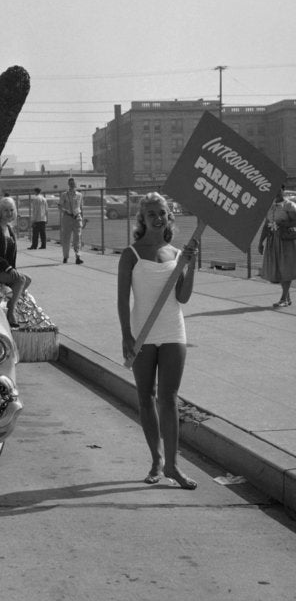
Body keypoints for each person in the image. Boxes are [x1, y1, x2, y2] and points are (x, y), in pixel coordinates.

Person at [117, 192, 199, 490]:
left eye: (161, 212)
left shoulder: (177, 254)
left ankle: (174, 466)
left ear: (168, 216)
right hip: (142, 333)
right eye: (150, 213)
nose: (157, 217)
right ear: (142, 219)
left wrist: (190, 266)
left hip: (173, 332)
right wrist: (126, 334)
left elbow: (183, 297)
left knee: (169, 398)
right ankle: (156, 459)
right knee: (145, 397)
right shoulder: (131, 254)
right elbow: (122, 299)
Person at [0, 197, 31, 328]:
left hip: (5, 270)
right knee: (20, 280)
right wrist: (8, 268)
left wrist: (11, 269)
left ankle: (7, 300)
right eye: (5, 210)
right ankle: (11, 311)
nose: (9, 213)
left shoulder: (9, 228)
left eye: (11, 210)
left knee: (27, 279)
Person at [258, 187, 296, 308]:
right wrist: (260, 242)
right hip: (273, 241)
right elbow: (265, 225)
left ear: (282, 190)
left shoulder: (289, 205)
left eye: (278, 189)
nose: (276, 192)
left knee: (286, 268)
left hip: (286, 241)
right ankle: (287, 298)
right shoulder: (270, 206)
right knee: (279, 269)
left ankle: (283, 298)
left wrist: (284, 224)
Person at [59, 178, 84, 264]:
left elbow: (81, 207)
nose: (72, 185)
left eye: (73, 183)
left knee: (77, 238)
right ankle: (65, 257)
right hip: (67, 218)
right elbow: (60, 206)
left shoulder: (79, 195)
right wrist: (65, 211)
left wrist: (82, 218)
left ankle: (78, 256)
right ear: (68, 184)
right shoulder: (64, 195)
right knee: (66, 239)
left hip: (77, 218)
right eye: (71, 183)